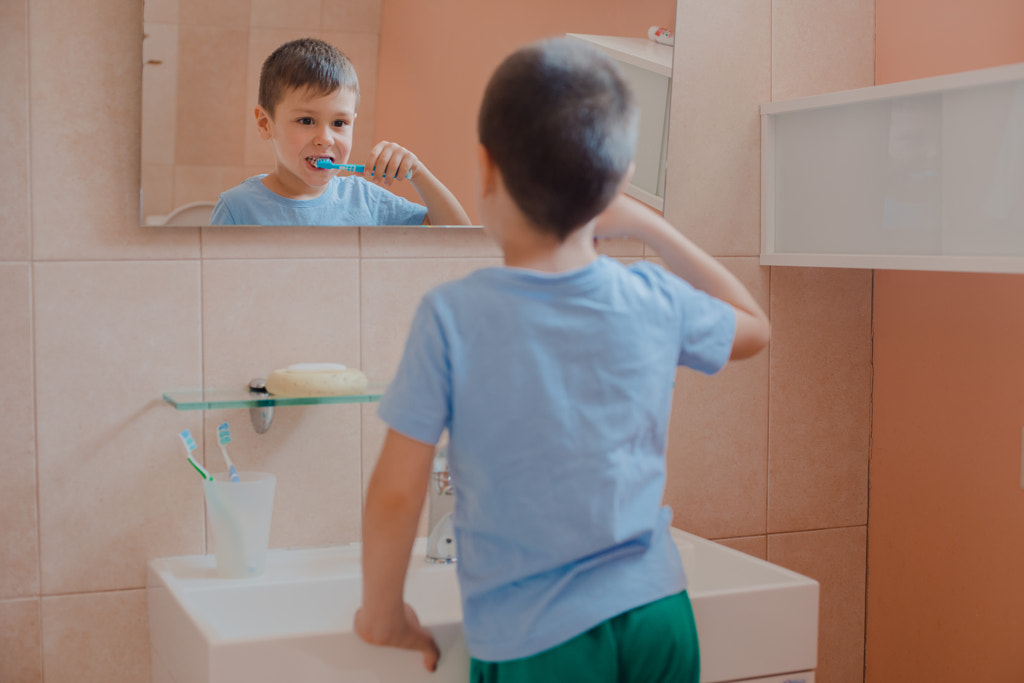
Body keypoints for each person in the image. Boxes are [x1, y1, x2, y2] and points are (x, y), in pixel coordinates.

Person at [354, 37, 770, 682]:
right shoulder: (651, 297)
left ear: (486, 169)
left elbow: (395, 492)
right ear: (620, 180)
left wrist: (382, 615)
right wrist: (648, 227)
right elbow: (755, 328)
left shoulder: (453, 317)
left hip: (538, 640)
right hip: (659, 616)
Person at [210, 38, 470, 226]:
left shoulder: (365, 199)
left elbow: (460, 238)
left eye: (339, 123)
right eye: (306, 120)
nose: (325, 138)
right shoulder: (238, 208)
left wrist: (419, 173)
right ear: (265, 124)